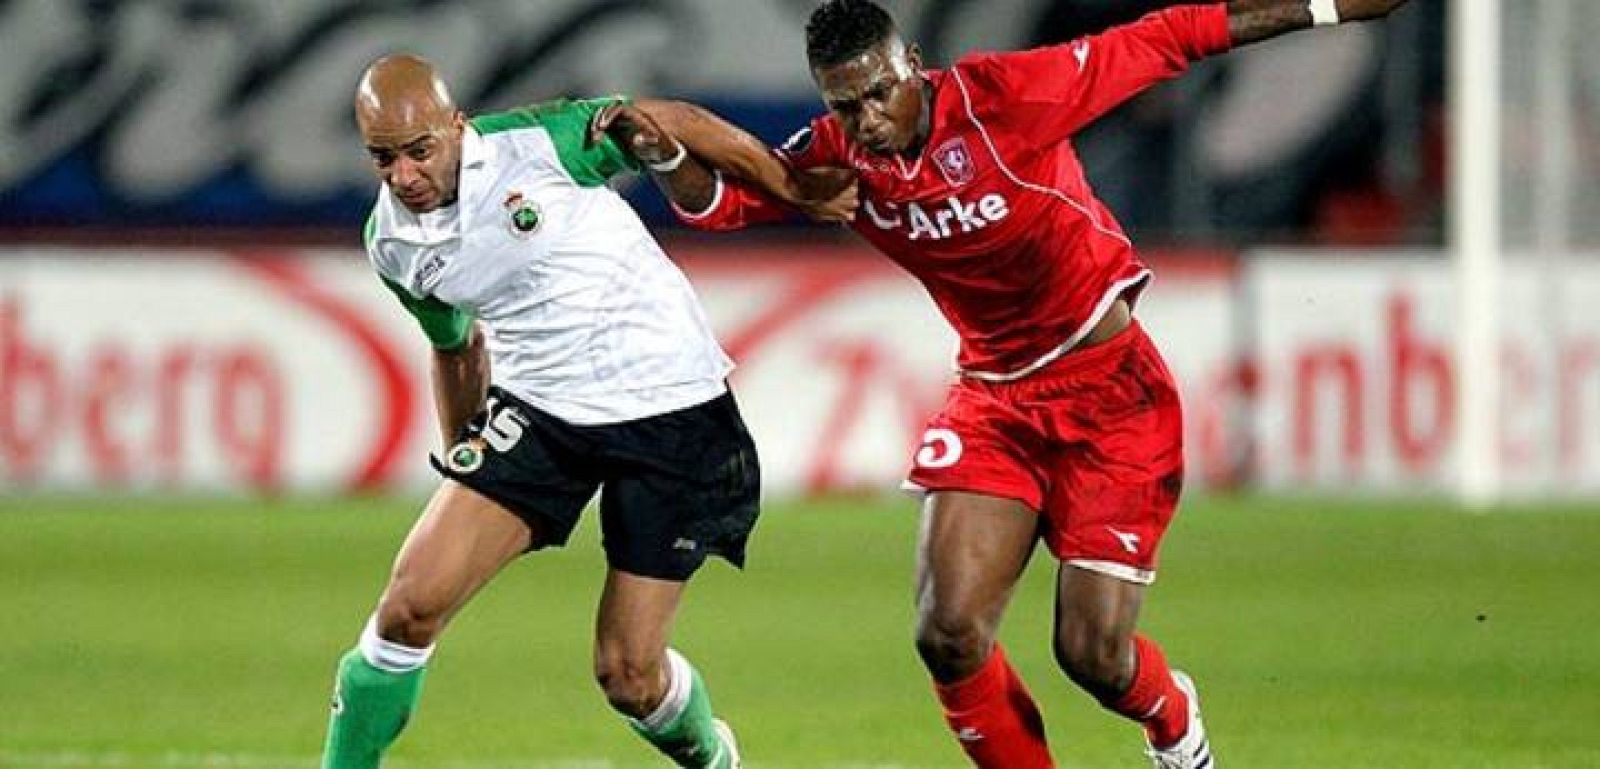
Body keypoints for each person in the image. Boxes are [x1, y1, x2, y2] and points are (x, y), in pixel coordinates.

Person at [593, 1, 1410, 767]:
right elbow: (719, 205)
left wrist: (1325, 8)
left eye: (879, 92)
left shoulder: (1007, 98)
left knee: (1092, 655)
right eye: (846, 105)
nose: (868, 118)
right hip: (995, 398)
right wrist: (664, 155)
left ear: (913, 65)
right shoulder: (840, 158)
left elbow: (1167, 38)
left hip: (1111, 395)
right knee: (947, 632)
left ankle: (1174, 722)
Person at [318, 53, 829, 769]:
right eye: (383, 158)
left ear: (456, 126)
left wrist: (789, 183)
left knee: (629, 675)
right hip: (541, 412)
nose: (404, 176)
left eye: (418, 151)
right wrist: (469, 467)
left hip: (671, 408)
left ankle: (715, 758)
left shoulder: (538, 143)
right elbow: (455, 346)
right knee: (408, 608)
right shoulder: (391, 243)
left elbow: (673, 120)